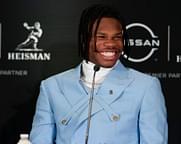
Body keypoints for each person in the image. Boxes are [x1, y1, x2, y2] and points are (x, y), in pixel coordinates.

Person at [30, 4, 168, 144]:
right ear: (85, 39)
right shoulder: (52, 87)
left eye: (117, 37)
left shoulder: (145, 86)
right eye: (101, 37)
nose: (111, 44)